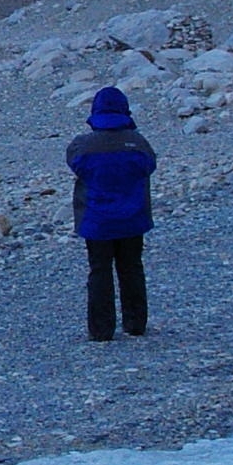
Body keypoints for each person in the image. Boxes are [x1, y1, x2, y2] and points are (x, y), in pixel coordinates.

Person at [65, 85, 156, 341]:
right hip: (132, 218)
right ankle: (135, 323)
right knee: (132, 268)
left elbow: (75, 164)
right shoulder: (137, 143)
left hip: (97, 221)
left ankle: (101, 329)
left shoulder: (83, 145)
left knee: (99, 271)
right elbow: (149, 165)